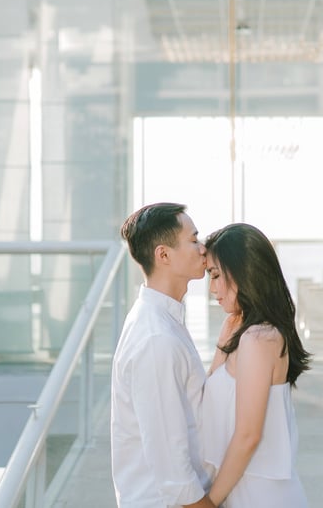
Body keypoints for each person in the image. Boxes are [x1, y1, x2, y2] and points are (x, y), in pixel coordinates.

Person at [111, 202, 215, 508]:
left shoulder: (162, 320)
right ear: (164, 254)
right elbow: (173, 470)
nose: (202, 249)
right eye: (193, 240)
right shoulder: (156, 338)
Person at [201, 222, 311, 508]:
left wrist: (208, 503)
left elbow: (249, 435)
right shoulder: (235, 327)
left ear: (240, 272)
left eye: (215, 275)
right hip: (237, 488)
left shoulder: (259, 338)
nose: (212, 289)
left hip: (261, 495)